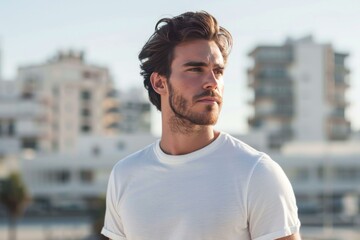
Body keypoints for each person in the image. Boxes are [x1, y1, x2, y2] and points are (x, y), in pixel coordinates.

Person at [101, 11, 301, 240]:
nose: (212, 83)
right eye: (195, 69)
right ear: (159, 82)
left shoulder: (257, 173)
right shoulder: (125, 175)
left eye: (218, 71)